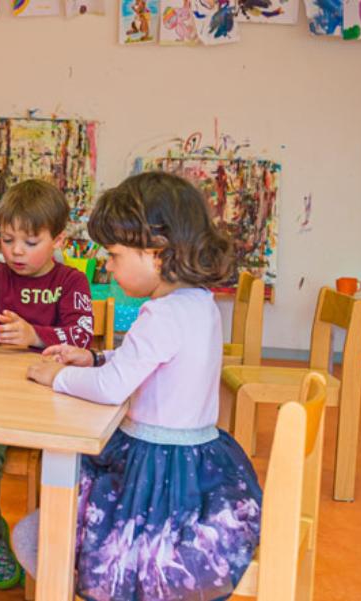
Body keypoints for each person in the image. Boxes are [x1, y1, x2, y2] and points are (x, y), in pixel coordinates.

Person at [17, 172, 262, 601]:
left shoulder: (162, 315)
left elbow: (113, 387)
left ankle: (60, 577)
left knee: (63, 528)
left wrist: (58, 376)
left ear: (157, 252)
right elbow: (146, 362)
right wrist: (93, 356)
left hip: (156, 473)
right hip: (193, 461)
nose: (107, 266)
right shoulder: (198, 303)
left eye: (113, 255)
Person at [0, 178, 94, 590]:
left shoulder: (72, 283)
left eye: (30, 241)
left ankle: (64, 550)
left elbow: (83, 337)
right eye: (7, 239)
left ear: (58, 239)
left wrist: (36, 337)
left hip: (54, 403)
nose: (16, 251)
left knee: (79, 463)